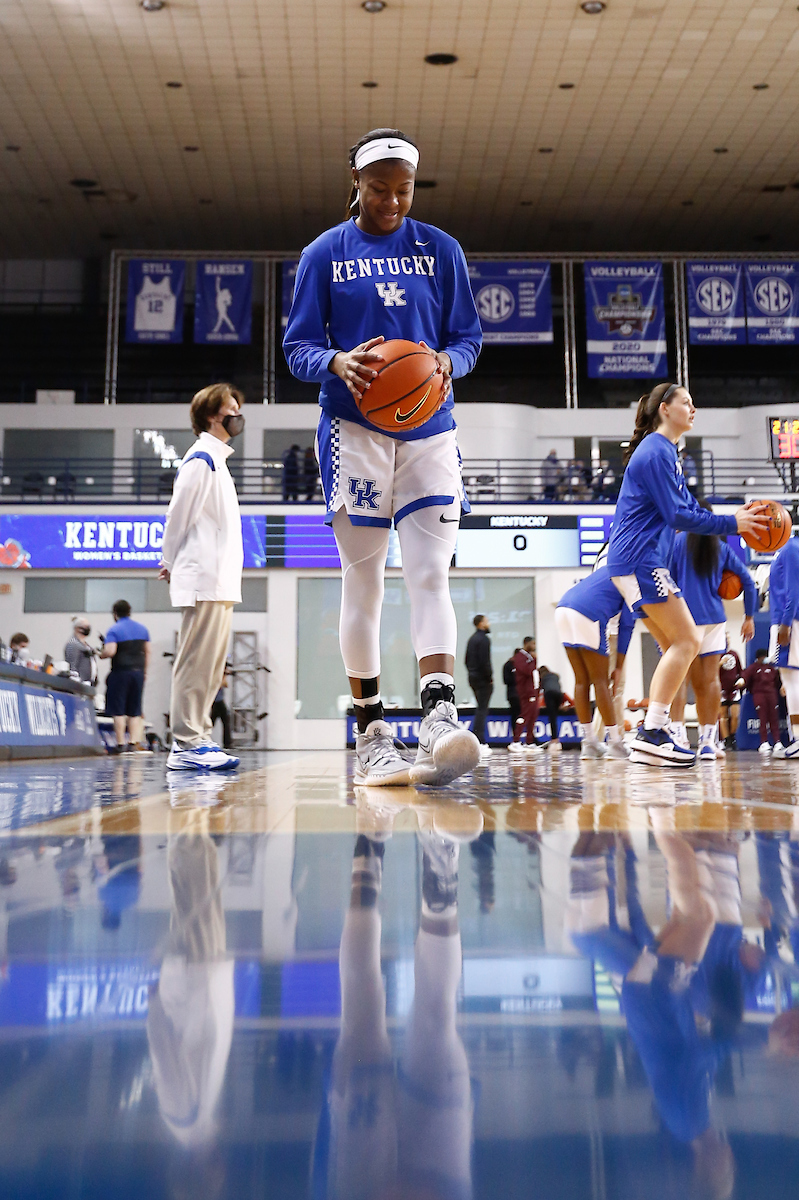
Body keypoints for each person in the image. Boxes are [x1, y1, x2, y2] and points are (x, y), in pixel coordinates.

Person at [283, 126, 483, 787]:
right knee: (362, 581)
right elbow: (297, 348)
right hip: (353, 433)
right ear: (355, 183)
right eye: (379, 189)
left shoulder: (441, 249)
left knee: (430, 575)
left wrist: (448, 364)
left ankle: (438, 719)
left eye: (403, 189)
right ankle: (371, 734)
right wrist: (337, 361)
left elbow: (466, 338)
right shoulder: (323, 253)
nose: (392, 200)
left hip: (431, 430)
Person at [606, 382, 768, 768]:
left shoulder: (665, 451)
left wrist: (730, 520)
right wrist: (733, 522)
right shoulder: (657, 450)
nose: (694, 409)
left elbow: (684, 510)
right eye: (687, 402)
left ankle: (656, 732)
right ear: (665, 408)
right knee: (687, 640)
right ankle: (653, 730)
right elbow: (680, 516)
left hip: (636, 560)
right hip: (641, 560)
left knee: (675, 646)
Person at [159, 383, 244, 772]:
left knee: (211, 667)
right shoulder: (201, 459)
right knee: (195, 663)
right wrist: (170, 560)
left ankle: (199, 736)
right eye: (231, 406)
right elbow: (179, 514)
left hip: (220, 579)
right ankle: (185, 743)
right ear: (212, 415)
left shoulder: (218, 461)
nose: (238, 411)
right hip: (204, 577)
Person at [667, 514, 757, 761]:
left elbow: (665, 581)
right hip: (715, 619)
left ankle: (678, 737)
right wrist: (749, 617)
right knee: (709, 682)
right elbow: (749, 582)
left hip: (684, 618)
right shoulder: (721, 547)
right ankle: (708, 741)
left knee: (679, 680)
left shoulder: (676, 542)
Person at [555, 566, 634, 760]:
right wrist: (618, 667)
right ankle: (615, 743)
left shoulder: (610, 567)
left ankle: (589, 743)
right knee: (601, 682)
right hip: (589, 612)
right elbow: (626, 625)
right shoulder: (632, 576)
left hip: (562, 607)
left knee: (581, 680)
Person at [100, 600, 151, 753]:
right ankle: (133, 742)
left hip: (120, 672)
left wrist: (101, 654)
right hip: (138, 672)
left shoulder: (114, 630)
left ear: (115, 614)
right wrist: (144, 672)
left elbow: (110, 651)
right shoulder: (143, 629)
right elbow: (148, 652)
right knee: (135, 709)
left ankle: (121, 744)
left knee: (119, 710)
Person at [768, 533, 799, 759]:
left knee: (791, 681)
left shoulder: (790, 548)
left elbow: (793, 590)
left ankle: (797, 738)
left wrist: (785, 624)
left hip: (789, 621)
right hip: (791, 619)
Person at [743, 650, 783, 757]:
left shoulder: (772, 668)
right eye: (763, 657)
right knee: (763, 718)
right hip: (759, 695)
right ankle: (764, 742)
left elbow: (778, 680)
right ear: (759, 658)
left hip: (772, 695)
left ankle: (777, 742)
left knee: (774, 718)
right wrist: (742, 681)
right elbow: (745, 677)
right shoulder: (753, 668)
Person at [465, 614, 493, 757]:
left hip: (473, 678)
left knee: (480, 708)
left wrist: (472, 673)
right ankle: (479, 741)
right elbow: (485, 661)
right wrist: (489, 678)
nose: (488, 623)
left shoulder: (472, 639)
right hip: (483, 680)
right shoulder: (484, 640)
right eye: (487, 621)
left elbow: (466, 660)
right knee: (482, 709)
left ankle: (477, 739)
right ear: (481, 624)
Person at [509, 637, 543, 754]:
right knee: (525, 715)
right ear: (526, 643)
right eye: (532, 643)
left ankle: (529, 742)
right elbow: (527, 671)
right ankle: (516, 741)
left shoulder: (529, 657)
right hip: (526, 692)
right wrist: (534, 660)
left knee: (533, 716)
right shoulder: (520, 657)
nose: (534, 646)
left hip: (533, 691)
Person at [538, 665, 573, 752]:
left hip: (549, 694)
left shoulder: (543, 678)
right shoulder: (555, 676)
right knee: (556, 711)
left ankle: (554, 741)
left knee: (552, 717)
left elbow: (539, 690)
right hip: (558, 693)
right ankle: (557, 741)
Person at [719, 642, 744, 750]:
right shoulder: (717, 654)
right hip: (721, 689)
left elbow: (740, 670)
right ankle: (726, 740)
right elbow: (710, 670)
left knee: (735, 715)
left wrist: (741, 680)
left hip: (734, 688)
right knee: (723, 716)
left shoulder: (734, 654)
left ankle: (733, 736)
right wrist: (720, 663)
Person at [64, 617, 97, 684]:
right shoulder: (73, 644)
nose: (87, 628)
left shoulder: (86, 645)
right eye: (85, 626)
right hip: (80, 684)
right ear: (77, 628)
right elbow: (72, 666)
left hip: (88, 683)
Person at [210, 663, 233, 750]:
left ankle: (227, 743)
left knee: (215, 721)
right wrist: (224, 675)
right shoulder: (216, 675)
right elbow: (222, 684)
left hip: (218, 700)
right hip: (217, 700)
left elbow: (226, 685)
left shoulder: (219, 675)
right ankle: (227, 743)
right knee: (224, 720)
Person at [503, 649, 520, 740]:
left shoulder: (522, 665)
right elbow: (506, 680)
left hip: (523, 695)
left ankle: (530, 739)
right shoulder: (508, 665)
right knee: (515, 715)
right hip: (513, 694)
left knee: (525, 716)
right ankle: (516, 738)